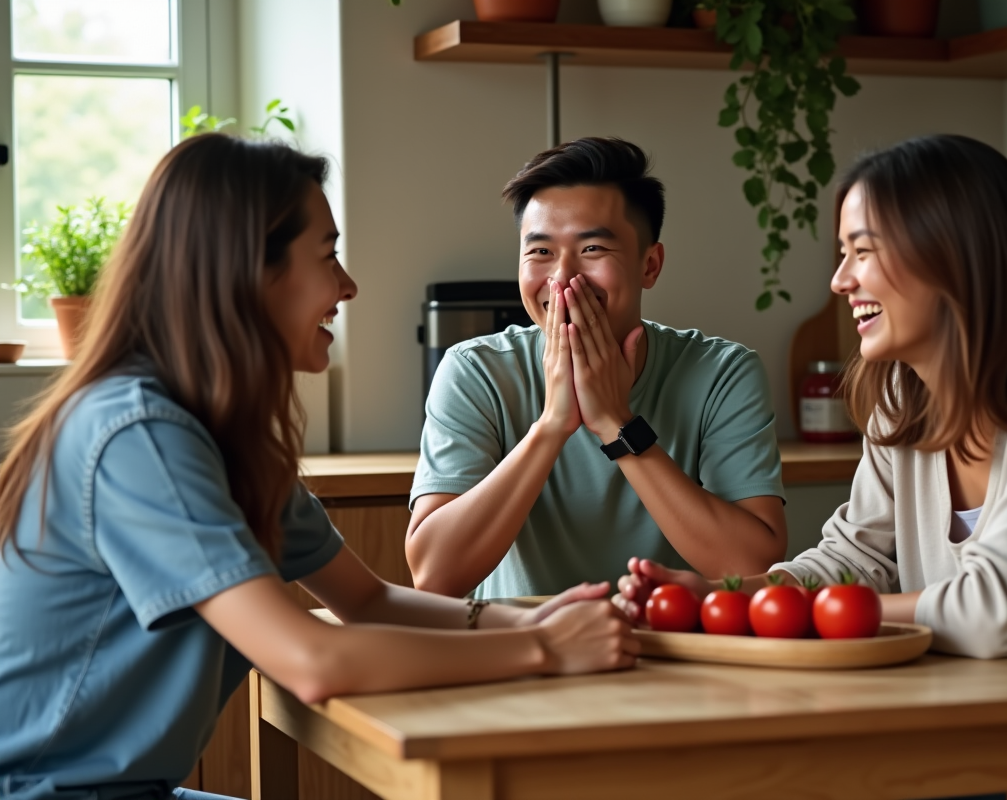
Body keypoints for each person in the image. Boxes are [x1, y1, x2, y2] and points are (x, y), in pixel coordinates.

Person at [0, 134, 638, 800]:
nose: (348, 285)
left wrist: (531, 621)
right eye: (328, 256)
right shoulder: (139, 435)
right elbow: (311, 661)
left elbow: (368, 600)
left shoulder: (223, 438)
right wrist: (546, 653)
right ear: (250, 271)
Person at [614, 134, 1007, 799]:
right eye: (843, 255)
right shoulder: (903, 394)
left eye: (862, 252)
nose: (840, 281)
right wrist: (731, 597)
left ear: (951, 254)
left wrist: (816, 614)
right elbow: (851, 559)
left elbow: (990, 613)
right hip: (987, 743)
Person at [405, 137, 788, 600]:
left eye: (592, 250)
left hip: (679, 651)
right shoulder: (475, 371)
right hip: (524, 653)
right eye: (540, 252)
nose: (563, 278)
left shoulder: (723, 373)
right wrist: (551, 426)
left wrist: (616, 423)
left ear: (650, 265)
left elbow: (753, 567)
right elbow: (435, 576)